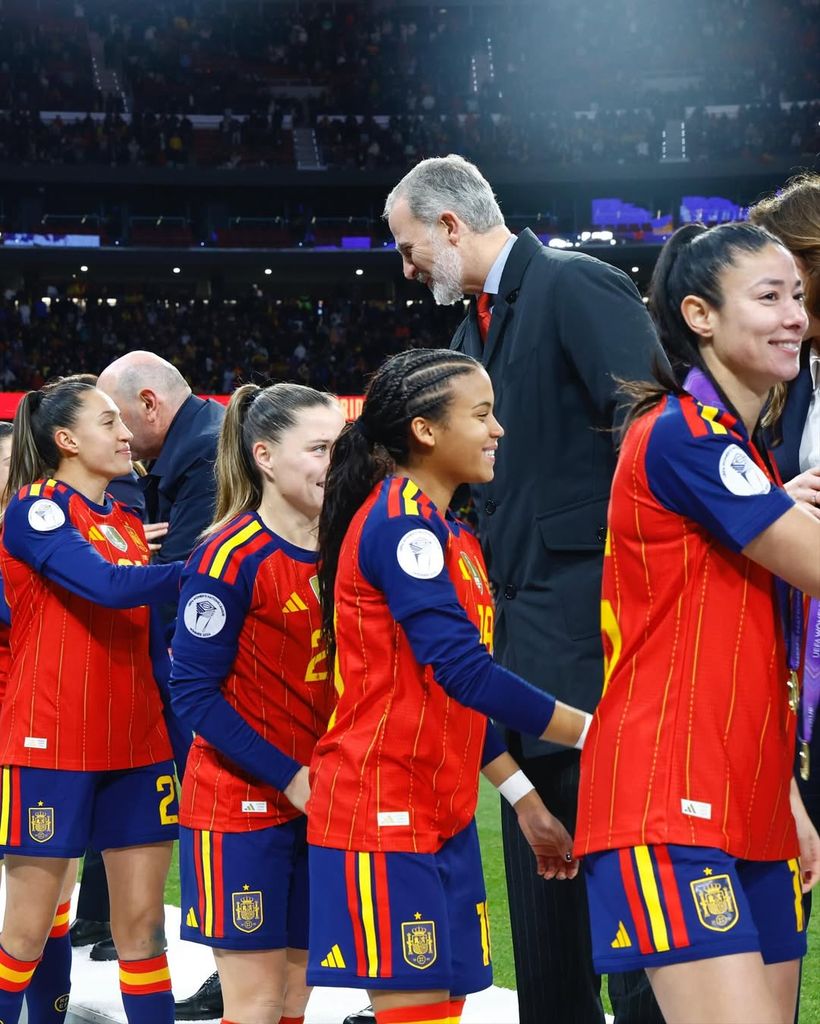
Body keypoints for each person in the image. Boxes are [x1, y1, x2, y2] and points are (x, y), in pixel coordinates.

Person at [384, 153, 665, 1024]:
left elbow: (651, 426)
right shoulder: (471, 337)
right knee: (546, 921)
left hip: (601, 643)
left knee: (632, 921)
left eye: (408, 247)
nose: (407, 269)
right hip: (518, 653)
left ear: (449, 225)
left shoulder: (573, 284)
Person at [574, 221, 820, 1024]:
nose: (795, 316)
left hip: (751, 799)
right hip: (667, 794)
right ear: (699, 315)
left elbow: (758, 651)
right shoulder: (685, 435)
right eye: (770, 296)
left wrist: (785, 798)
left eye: (798, 296)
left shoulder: (748, 456)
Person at [309, 347, 592, 1024]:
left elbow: (452, 697)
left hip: (444, 810)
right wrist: (596, 732)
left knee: (443, 1010)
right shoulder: (400, 524)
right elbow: (466, 673)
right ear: (426, 430)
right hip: (384, 807)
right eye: (482, 414)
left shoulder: (450, 535)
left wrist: (524, 801)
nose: (498, 430)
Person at [0, 378, 184, 1024]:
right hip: (53, 743)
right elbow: (104, 586)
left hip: (138, 746)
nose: (126, 433)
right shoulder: (35, 511)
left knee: (144, 931)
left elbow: (153, 645)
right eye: (109, 423)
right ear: (67, 440)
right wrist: (208, 567)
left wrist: (176, 743)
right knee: (26, 932)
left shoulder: (128, 525)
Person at [169, 383, 345, 1024]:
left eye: (342, 446)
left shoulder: (349, 549)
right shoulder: (227, 557)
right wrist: (289, 775)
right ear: (264, 456)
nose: (336, 462)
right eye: (320, 448)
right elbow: (192, 692)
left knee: (296, 999)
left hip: (323, 802)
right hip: (241, 806)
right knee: (258, 1004)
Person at [81, 354, 224, 1019]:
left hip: (214, 678)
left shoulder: (205, 455)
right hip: (194, 674)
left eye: (118, 418)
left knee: (227, 823)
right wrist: (137, 555)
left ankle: (243, 965)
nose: (117, 434)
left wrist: (129, 561)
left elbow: (190, 573)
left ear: (148, 403)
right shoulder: (191, 450)